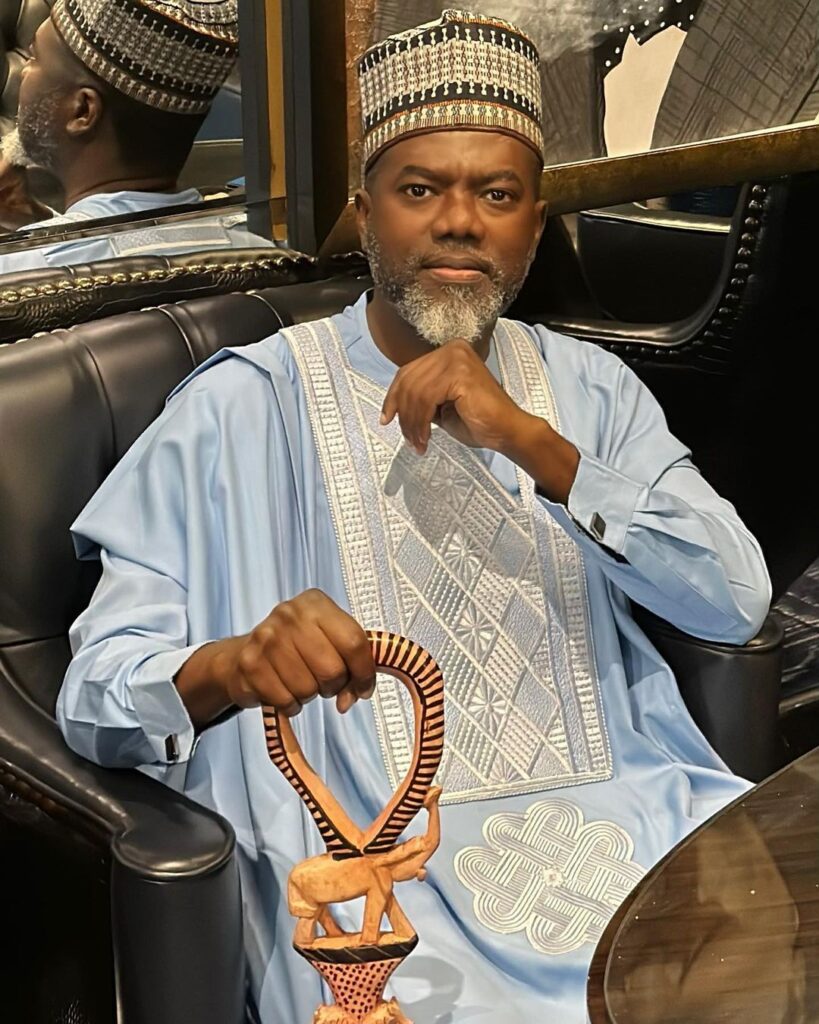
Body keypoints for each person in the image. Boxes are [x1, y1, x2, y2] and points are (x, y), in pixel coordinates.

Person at [58, 10, 771, 1023]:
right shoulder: (240, 408)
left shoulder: (589, 390)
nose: (459, 222)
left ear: (535, 222)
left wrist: (537, 445)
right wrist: (232, 664)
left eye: (496, 194)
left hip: (645, 840)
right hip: (383, 894)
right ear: (365, 214)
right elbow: (96, 696)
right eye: (420, 189)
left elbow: (735, 599)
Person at [0, 0, 270, 275]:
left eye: (34, 58)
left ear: (82, 111)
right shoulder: (262, 254)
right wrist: (43, 227)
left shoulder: (15, 272)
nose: (23, 71)